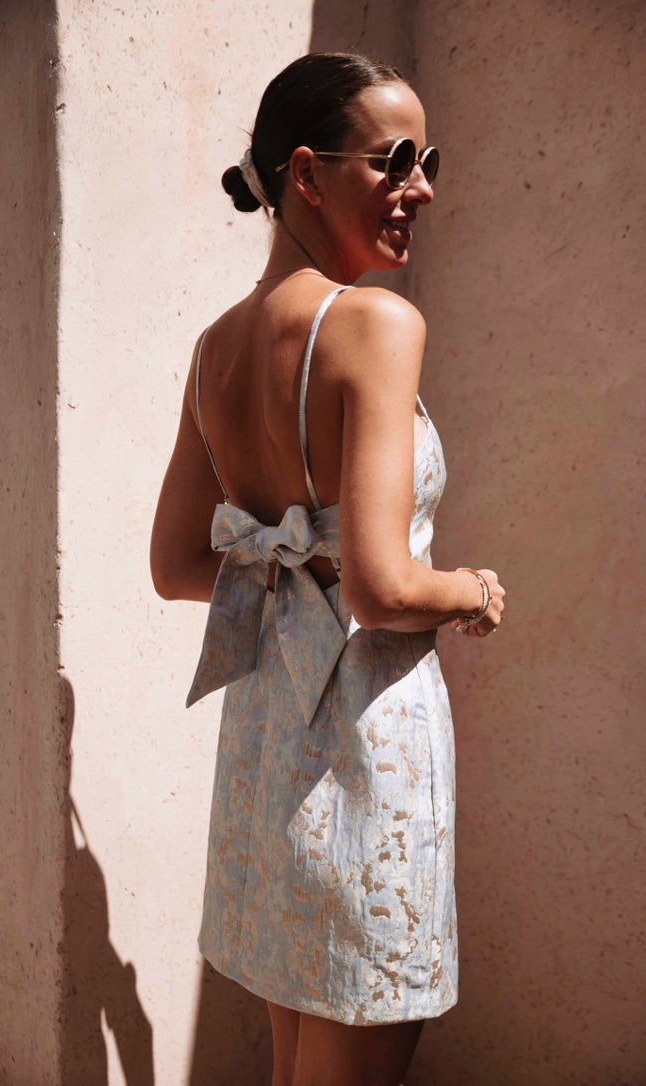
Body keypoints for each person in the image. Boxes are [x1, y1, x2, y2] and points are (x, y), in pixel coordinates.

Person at [150, 52, 505, 1086]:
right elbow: (381, 589)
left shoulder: (217, 348)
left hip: (265, 748)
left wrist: (279, 561)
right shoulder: (377, 324)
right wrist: (472, 591)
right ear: (305, 173)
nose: (420, 188)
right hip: (365, 753)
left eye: (429, 162)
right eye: (395, 161)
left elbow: (177, 564)